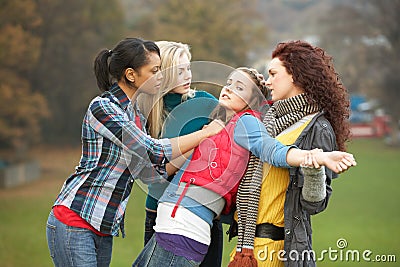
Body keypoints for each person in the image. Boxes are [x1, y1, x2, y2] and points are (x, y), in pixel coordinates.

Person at [132, 67, 356, 267]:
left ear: (252, 101)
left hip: (185, 224)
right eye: (229, 83)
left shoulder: (246, 122)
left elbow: (272, 150)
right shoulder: (216, 124)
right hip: (173, 218)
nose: (228, 89)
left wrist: (314, 157)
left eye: (239, 87)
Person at [45, 37, 224, 267]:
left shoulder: (137, 116)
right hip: (75, 219)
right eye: (155, 70)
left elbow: (150, 172)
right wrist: (204, 134)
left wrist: (199, 148)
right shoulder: (104, 108)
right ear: (131, 75)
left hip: (103, 228)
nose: (161, 76)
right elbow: (152, 150)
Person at [229, 40, 352, 267]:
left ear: (294, 75)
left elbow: (315, 204)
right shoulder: (266, 117)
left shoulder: (317, 127)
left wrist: (313, 168)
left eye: (274, 73)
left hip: (278, 249)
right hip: (244, 247)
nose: (268, 81)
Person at [137, 41, 223, 266]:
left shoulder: (205, 102)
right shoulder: (145, 112)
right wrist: (199, 142)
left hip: (202, 210)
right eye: (179, 71)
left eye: (189, 69)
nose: (187, 76)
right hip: (158, 212)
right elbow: (154, 174)